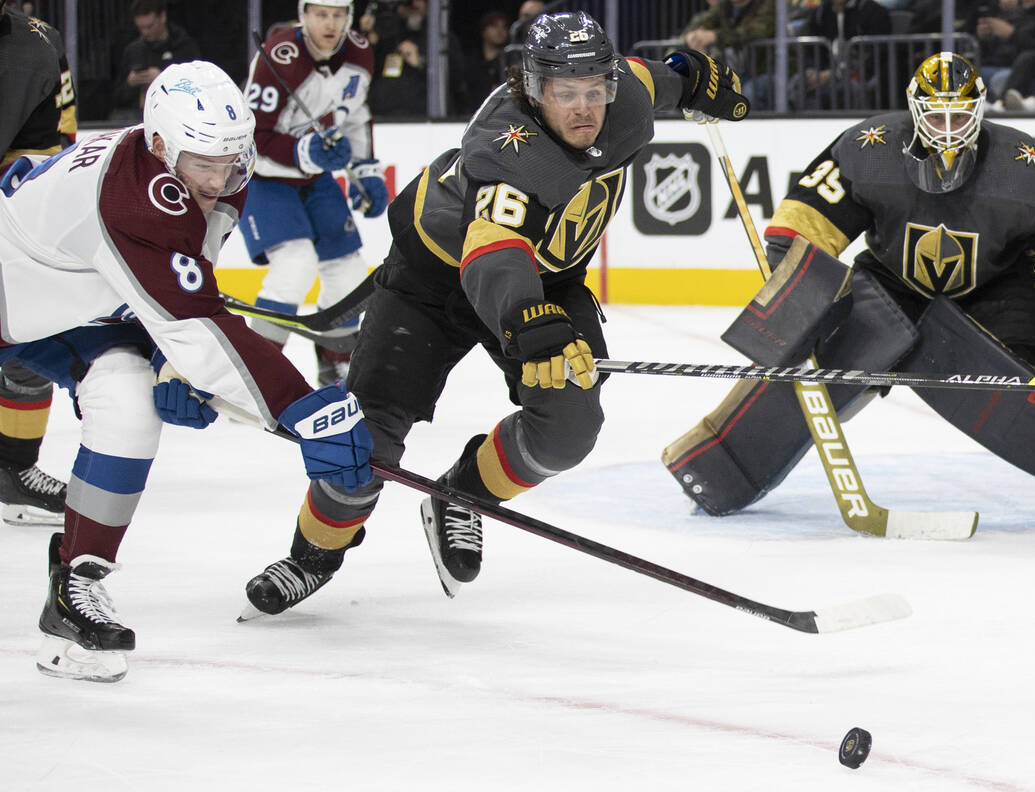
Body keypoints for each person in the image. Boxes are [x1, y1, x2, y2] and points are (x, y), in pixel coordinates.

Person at [239, 10, 750, 617]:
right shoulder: (510, 147)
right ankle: (313, 555)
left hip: (547, 278)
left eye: (594, 91)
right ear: (534, 89)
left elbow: (660, 77)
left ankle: (464, 495)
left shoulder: (628, 94)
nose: (584, 108)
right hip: (434, 281)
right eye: (566, 94)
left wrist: (689, 74)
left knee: (569, 425)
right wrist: (529, 321)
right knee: (365, 447)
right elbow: (493, 251)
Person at [662, 52, 1035, 527]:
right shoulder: (870, 148)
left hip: (997, 290)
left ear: (978, 110)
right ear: (914, 109)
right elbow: (804, 222)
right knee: (820, 361)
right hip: (890, 285)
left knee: (1024, 390)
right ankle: (716, 467)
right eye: (937, 115)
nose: (948, 129)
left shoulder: (1026, 164)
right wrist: (799, 277)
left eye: (960, 116)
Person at [0, 61, 372, 682]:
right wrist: (304, 407)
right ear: (156, 144)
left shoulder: (210, 173)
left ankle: (75, 587)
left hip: (64, 307)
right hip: (19, 300)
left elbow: (186, 281)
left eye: (232, 158)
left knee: (127, 406)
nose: (222, 177)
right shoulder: (132, 195)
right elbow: (194, 321)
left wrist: (169, 359)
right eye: (205, 161)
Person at [239, 0, 389, 386]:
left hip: (312, 177)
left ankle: (335, 363)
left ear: (349, 18)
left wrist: (364, 169)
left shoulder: (358, 52)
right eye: (321, 14)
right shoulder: (279, 57)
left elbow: (355, 115)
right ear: (303, 15)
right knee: (295, 266)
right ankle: (257, 370)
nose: (330, 23)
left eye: (338, 14)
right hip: (264, 177)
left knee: (350, 273)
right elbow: (252, 137)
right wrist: (305, 151)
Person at [0, 3, 77, 527]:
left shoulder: (39, 45)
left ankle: (13, 469)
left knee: (35, 338)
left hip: (12, 215)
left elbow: (55, 143)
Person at [110, 0, 202, 121]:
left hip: (177, 116)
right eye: (141, 28)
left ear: (162, 17)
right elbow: (115, 98)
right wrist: (130, 84)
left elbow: (198, 87)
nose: (145, 32)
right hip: (138, 117)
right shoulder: (133, 50)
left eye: (150, 26)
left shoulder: (184, 47)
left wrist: (163, 78)